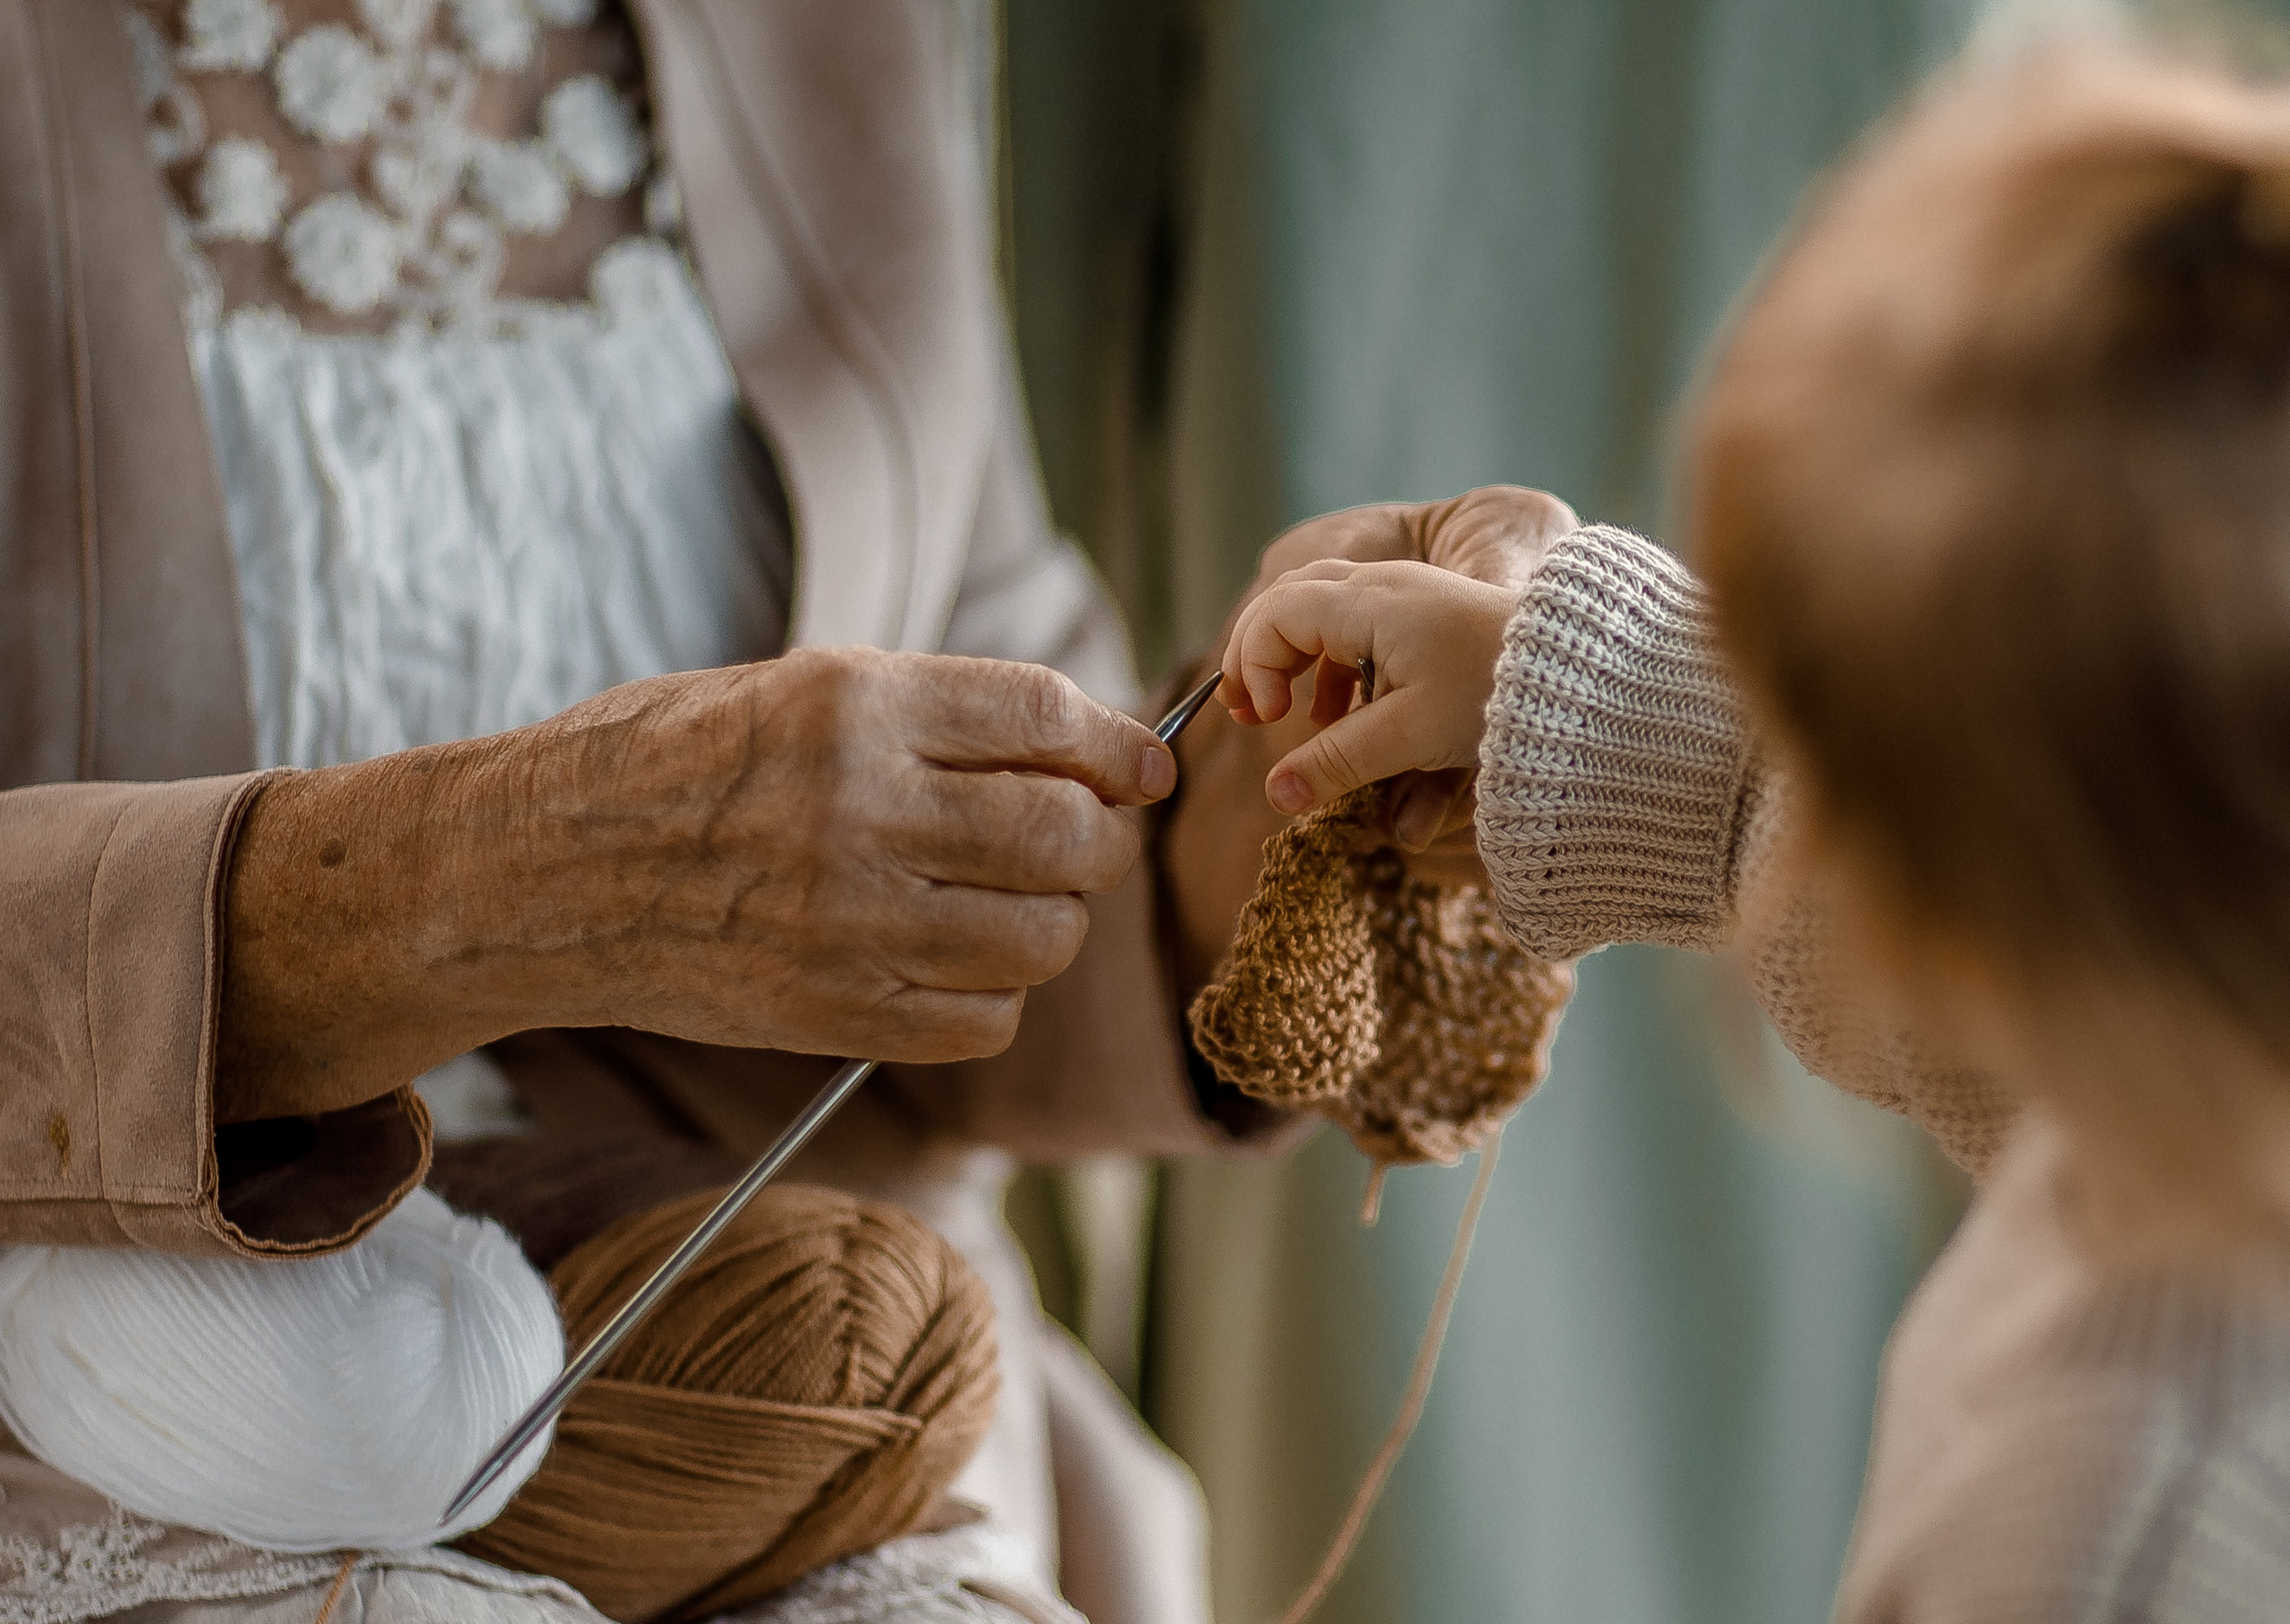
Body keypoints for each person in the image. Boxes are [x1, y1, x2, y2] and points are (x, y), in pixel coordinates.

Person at [0, 3, 1584, 1620]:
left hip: (792, 1382)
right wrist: (504, 876)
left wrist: (1282, 783)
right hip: (76, 1380)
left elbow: (1014, 768)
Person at [1219, 38, 2290, 1618]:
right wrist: (1614, 712)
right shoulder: (2206, 1047)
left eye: (1829, 746)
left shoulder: (2117, 1529)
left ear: (1979, 929)